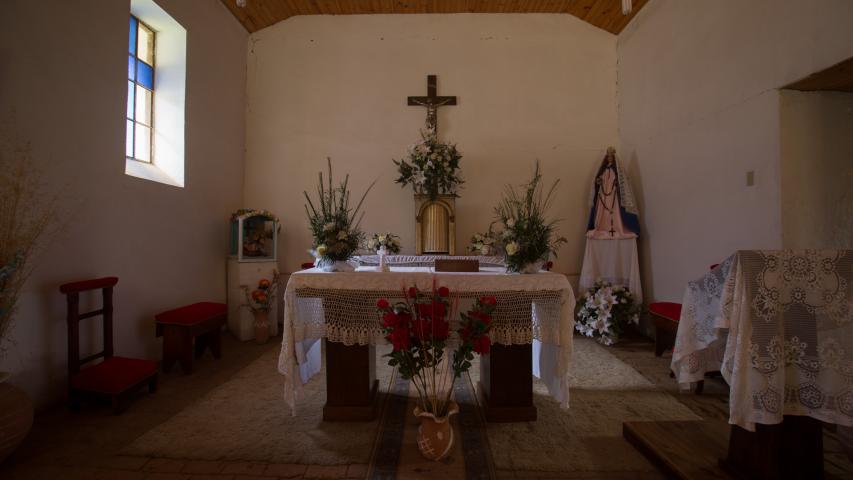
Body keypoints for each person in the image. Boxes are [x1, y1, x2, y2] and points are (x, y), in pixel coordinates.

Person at [586, 147, 640, 239]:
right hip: (604, 194)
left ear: (614, 158)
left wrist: (617, 183)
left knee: (615, 210)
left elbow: (622, 182)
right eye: (608, 157)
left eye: (611, 157)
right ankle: (603, 226)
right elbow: (599, 179)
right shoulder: (603, 169)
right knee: (602, 211)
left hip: (614, 195)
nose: (609, 158)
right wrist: (599, 181)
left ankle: (617, 226)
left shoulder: (617, 170)